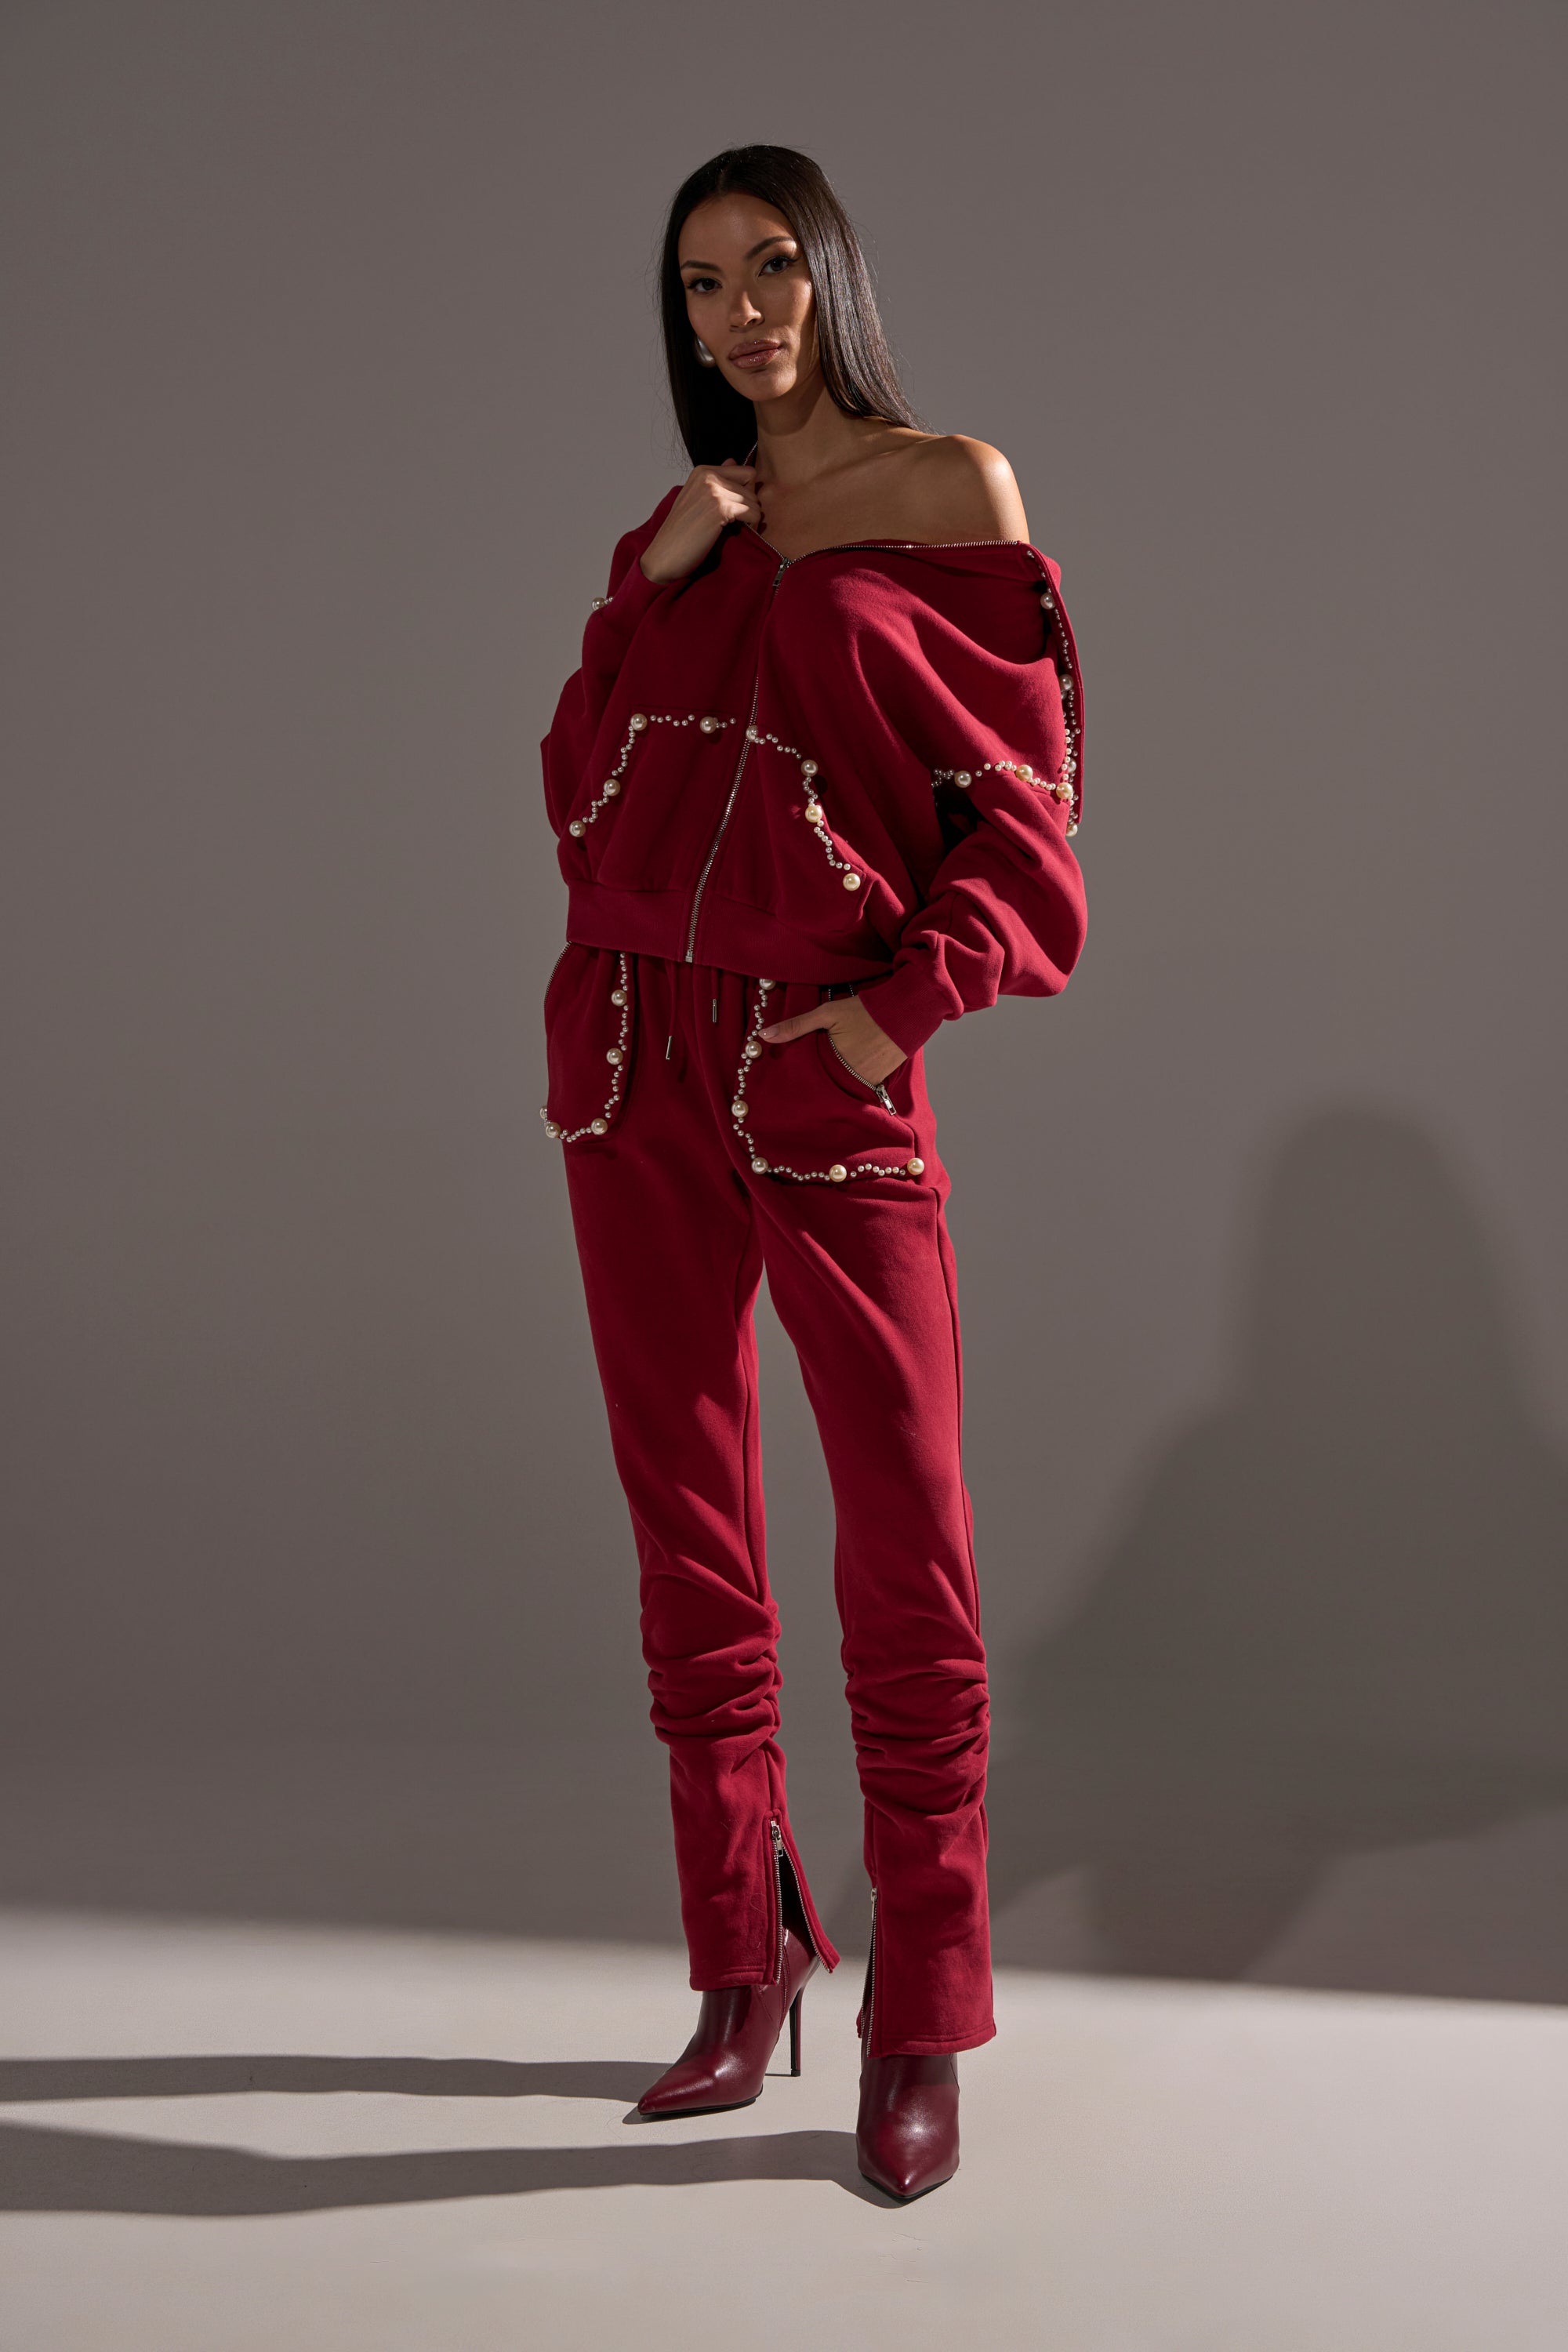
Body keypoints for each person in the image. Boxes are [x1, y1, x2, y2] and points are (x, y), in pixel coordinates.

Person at [539, 144, 1087, 2200]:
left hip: (821, 1066)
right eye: (701, 283)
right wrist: (658, 572)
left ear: (831, 277)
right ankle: (739, 1959)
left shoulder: (956, 494)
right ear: (677, 319)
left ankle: (923, 2006)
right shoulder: (684, 529)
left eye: (774, 266)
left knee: (903, 1543)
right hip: (625, 1060)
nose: (743, 309)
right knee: (692, 1537)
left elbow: (1027, 832)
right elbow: (576, 790)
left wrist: (890, 1012)